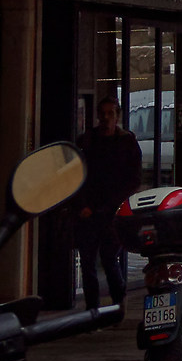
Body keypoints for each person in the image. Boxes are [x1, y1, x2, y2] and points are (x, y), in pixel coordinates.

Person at [70, 95, 143, 311]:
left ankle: (118, 303)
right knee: (88, 261)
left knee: (110, 258)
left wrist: (116, 207)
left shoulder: (126, 142)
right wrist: (82, 204)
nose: (106, 118)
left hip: (113, 212)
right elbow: (76, 174)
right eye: (102, 114)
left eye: (110, 113)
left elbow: (133, 180)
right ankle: (92, 309)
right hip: (88, 212)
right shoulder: (87, 141)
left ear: (117, 116)